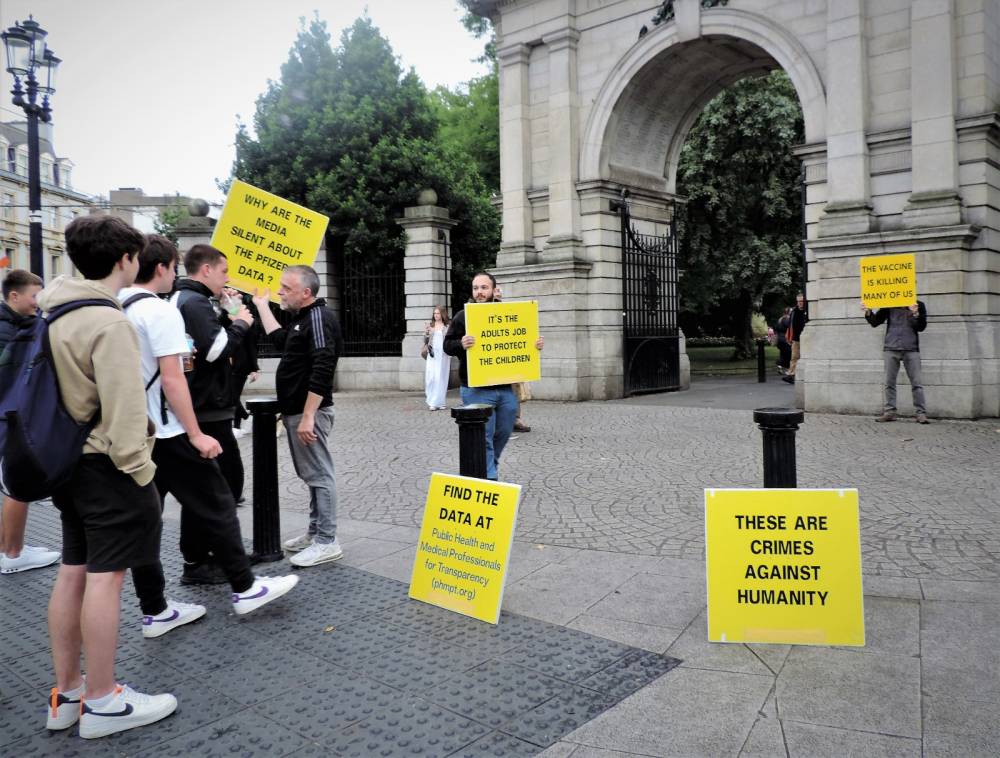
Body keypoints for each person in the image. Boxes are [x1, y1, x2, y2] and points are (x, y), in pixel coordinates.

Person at [38, 215, 175, 738]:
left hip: (67, 462)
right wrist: (142, 474)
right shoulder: (107, 321)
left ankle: (67, 694)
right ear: (126, 259)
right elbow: (123, 416)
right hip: (108, 466)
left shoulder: (54, 309)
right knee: (106, 579)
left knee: (73, 570)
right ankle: (104, 701)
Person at [123, 235, 298, 638]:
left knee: (146, 519)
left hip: (139, 431)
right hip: (168, 429)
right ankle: (245, 587)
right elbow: (176, 375)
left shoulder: (120, 306)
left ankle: (155, 610)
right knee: (219, 500)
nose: (227, 277)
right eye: (223, 270)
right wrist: (195, 432)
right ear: (164, 267)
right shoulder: (164, 308)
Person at [252, 265, 344, 567]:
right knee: (313, 475)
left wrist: (308, 416)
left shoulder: (317, 317)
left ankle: (327, 540)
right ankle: (316, 532)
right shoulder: (301, 319)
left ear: (306, 293)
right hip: (298, 412)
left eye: (286, 288)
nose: (280, 291)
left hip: (308, 413)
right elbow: (280, 340)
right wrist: (262, 306)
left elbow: (323, 365)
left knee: (319, 474)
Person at [170, 244, 252, 567]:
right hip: (207, 408)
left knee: (204, 487)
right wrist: (241, 322)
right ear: (206, 270)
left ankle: (200, 554)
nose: (227, 278)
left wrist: (225, 310)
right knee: (223, 483)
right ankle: (208, 557)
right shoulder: (193, 302)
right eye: (223, 271)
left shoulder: (189, 300)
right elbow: (216, 350)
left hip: (203, 405)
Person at [443, 272, 544, 480]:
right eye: (476, 288)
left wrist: (534, 345)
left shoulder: (507, 313)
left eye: (484, 288)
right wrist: (461, 344)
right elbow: (447, 345)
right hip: (476, 389)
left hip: (505, 387)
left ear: (493, 290)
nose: (479, 292)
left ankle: (490, 465)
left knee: (505, 431)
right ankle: (490, 478)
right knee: (485, 437)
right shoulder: (463, 316)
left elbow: (519, 339)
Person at [0, 269, 61, 574]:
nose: (39, 301)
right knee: (15, 483)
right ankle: (12, 554)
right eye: (35, 295)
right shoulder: (8, 330)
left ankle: (11, 545)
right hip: (9, 418)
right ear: (14, 295)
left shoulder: (18, 324)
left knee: (12, 481)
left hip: (9, 416)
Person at [863, 299, 929, 423]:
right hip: (891, 348)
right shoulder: (889, 303)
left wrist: (915, 314)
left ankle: (921, 413)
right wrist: (868, 311)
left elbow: (921, 327)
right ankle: (890, 412)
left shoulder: (919, 305)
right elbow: (875, 322)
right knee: (889, 382)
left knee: (917, 383)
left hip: (911, 348)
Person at [422, 304, 451, 410]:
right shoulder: (431, 325)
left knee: (441, 377)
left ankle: (439, 401)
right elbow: (425, 341)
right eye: (435, 313)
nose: (436, 315)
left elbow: (449, 339)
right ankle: (432, 400)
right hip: (432, 354)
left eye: (438, 313)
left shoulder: (447, 326)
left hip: (443, 354)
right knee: (431, 377)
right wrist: (427, 333)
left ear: (442, 314)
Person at [782, 293, 808, 384]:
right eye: (798, 301)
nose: (800, 303)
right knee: (794, 357)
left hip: (807, 338)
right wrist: (790, 336)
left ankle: (804, 375)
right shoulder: (794, 311)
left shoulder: (808, 310)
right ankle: (791, 375)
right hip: (796, 338)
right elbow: (790, 325)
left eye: (801, 301)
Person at [775, 307, 792, 375]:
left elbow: (776, 328)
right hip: (785, 339)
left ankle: (780, 365)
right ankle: (788, 369)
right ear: (788, 312)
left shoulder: (780, 319)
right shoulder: (786, 319)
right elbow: (789, 327)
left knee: (783, 353)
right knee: (789, 354)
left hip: (779, 339)